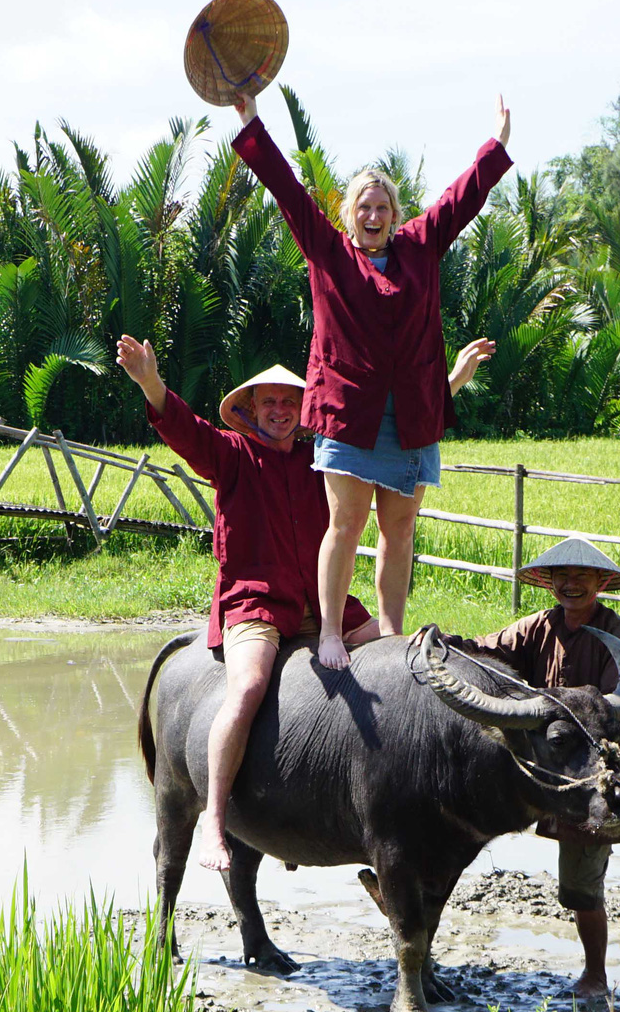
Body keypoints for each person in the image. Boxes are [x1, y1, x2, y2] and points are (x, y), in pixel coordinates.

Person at [117, 333, 493, 873]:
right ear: (248, 410)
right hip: (256, 604)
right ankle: (216, 822)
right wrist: (150, 382)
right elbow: (185, 431)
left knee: (401, 652)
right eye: (268, 402)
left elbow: (391, 427)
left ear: (304, 410)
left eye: (290, 402)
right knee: (246, 687)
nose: (280, 411)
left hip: (323, 607)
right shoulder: (231, 455)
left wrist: (453, 381)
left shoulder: (322, 462)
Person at [228, 87, 514, 670]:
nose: (374, 215)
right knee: (345, 523)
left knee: (399, 530)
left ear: (395, 213)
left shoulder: (419, 248)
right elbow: (287, 190)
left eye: (382, 206)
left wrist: (496, 147)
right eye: (364, 206)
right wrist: (251, 121)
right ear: (349, 215)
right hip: (349, 417)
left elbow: (460, 201)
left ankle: (389, 631)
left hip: (409, 419)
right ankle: (331, 630)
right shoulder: (330, 254)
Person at [456, 537, 620, 998]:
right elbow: (487, 651)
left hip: (597, 774)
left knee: (581, 884)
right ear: (547, 582)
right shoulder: (538, 627)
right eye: (560, 577)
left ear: (601, 583)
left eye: (581, 577)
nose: (570, 585)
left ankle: (595, 977)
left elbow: (611, 716)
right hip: (552, 767)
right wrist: (445, 644)